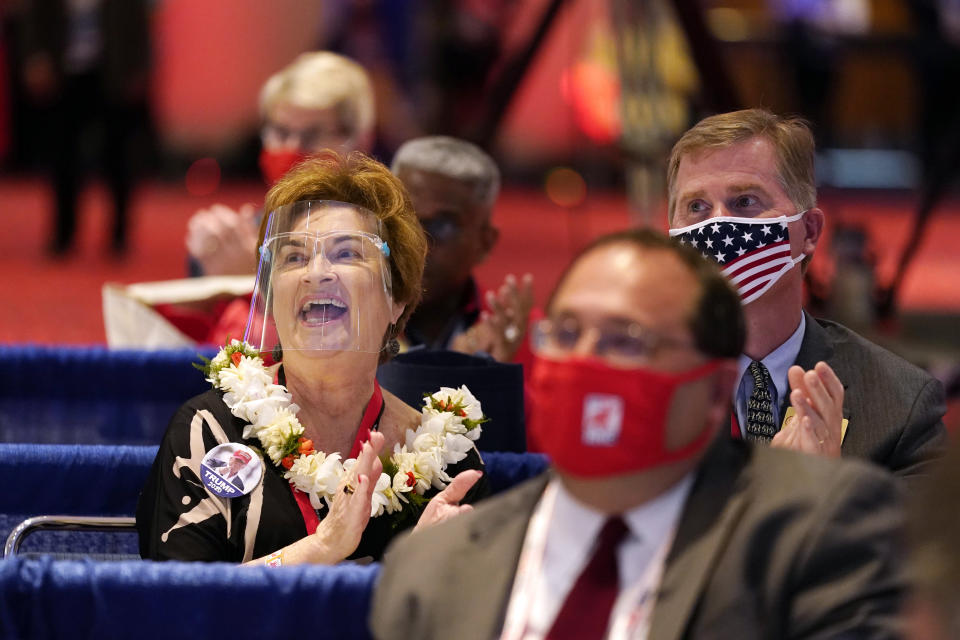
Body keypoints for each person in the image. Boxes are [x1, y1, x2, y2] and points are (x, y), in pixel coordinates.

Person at [370, 229, 905, 639]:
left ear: (716, 391)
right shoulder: (434, 568)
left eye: (626, 341)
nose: (583, 361)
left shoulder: (817, 533)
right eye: (567, 333)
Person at [137, 152, 487, 565]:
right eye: (294, 257)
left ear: (397, 299)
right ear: (270, 298)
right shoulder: (209, 432)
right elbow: (178, 610)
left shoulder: (447, 458)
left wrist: (420, 571)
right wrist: (322, 549)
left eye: (347, 254)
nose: (316, 272)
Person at [666, 108, 946, 485]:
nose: (717, 225)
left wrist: (822, 497)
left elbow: (922, 542)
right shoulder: (639, 386)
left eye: (745, 201)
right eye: (696, 207)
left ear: (809, 230)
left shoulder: (900, 403)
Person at [186, 51, 375, 277]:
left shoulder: (384, 237)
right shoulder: (247, 236)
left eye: (312, 134)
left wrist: (253, 280)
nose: (292, 148)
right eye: (281, 132)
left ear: (360, 142)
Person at [21, 0, 151, 256]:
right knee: (61, 157)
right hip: (63, 73)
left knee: (118, 156)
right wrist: (34, 57)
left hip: (112, 72)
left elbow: (138, 21)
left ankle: (119, 235)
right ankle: (63, 233)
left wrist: (139, 69)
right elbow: (33, 18)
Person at [390, 135, 534, 362]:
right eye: (405, 219)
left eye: (443, 225)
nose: (418, 244)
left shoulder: (518, 335)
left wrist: (494, 378)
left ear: (485, 243)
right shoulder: (346, 321)